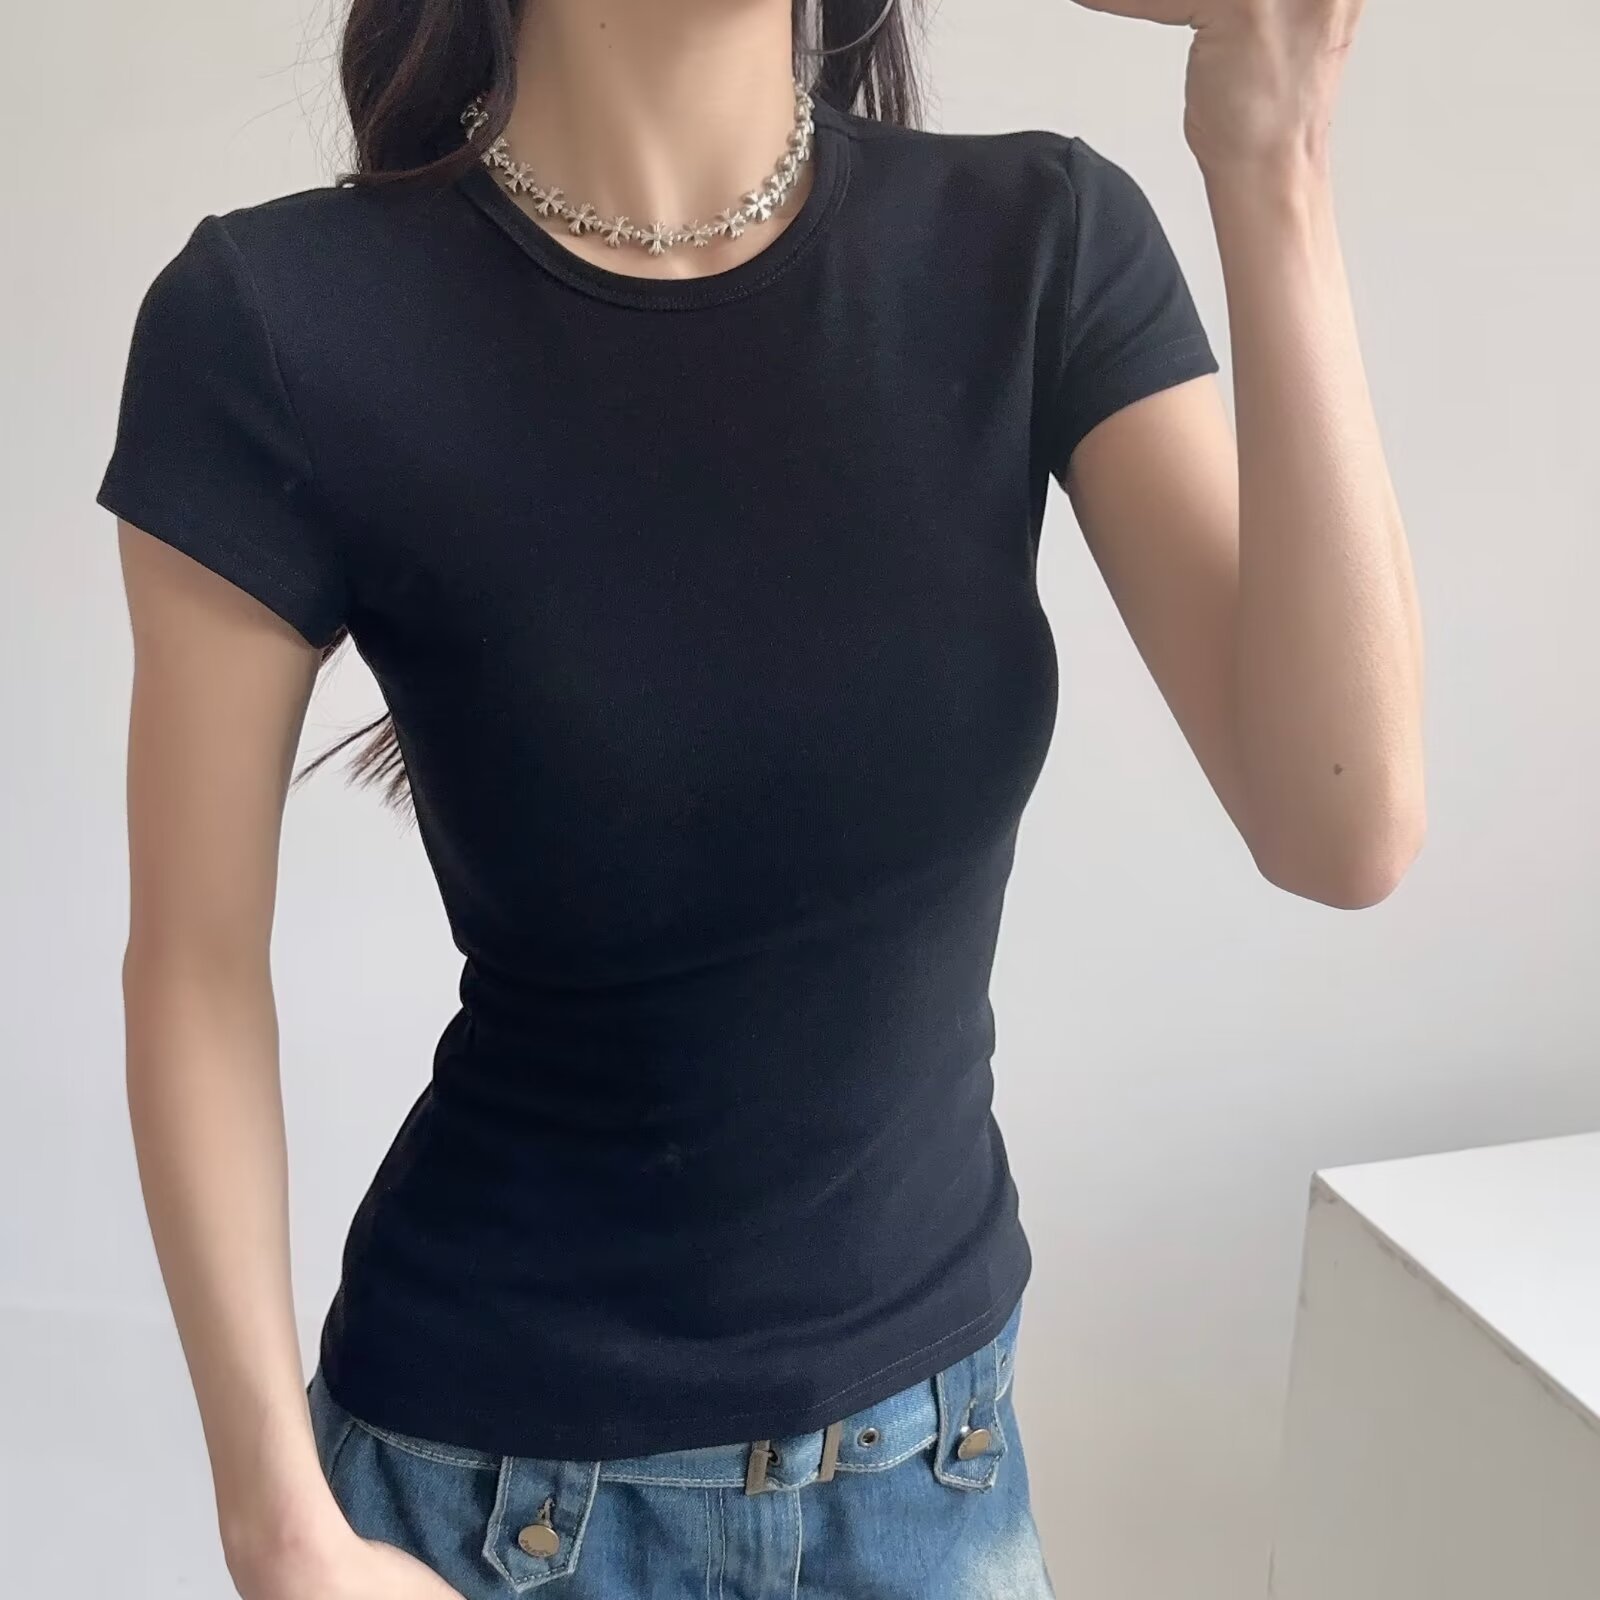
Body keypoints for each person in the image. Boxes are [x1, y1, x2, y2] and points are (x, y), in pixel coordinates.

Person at [97, 0, 1424, 1595]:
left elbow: (1342, 824)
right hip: (498, 1509)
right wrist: (279, 1529)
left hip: (937, 1486)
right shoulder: (274, 320)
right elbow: (193, 964)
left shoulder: (1035, 242)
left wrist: (1272, 152)